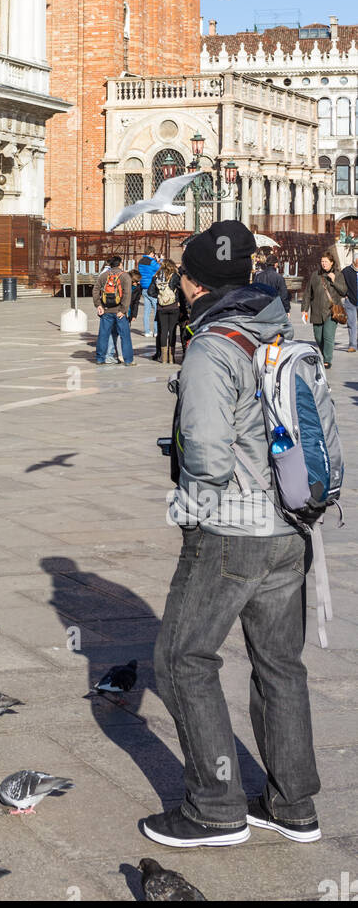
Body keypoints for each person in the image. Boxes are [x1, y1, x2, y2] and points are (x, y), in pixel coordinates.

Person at [146, 219, 321, 848]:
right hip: (292, 530)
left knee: (181, 660)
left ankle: (215, 808)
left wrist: (187, 490)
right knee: (280, 665)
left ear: (193, 285)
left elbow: (211, 460)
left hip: (231, 530)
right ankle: (293, 804)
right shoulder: (284, 332)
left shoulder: (211, 347)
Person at [301, 248, 346, 369]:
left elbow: (343, 291)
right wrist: (304, 309)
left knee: (328, 336)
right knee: (318, 337)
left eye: (326, 261)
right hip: (316, 311)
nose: (323, 264)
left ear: (332, 262)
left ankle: (327, 359)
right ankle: (325, 353)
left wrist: (334, 281)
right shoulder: (315, 275)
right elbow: (307, 293)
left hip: (332, 311)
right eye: (322, 261)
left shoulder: (338, 275)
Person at [92, 253, 134, 366]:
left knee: (103, 335)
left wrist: (98, 305)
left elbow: (95, 290)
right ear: (120, 264)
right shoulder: (125, 276)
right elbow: (127, 294)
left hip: (106, 310)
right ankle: (128, 360)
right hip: (119, 311)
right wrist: (123, 309)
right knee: (124, 335)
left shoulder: (104, 275)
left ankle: (100, 358)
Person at [153, 258, 182, 363]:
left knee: (163, 331)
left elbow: (150, 291)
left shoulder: (157, 277)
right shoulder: (175, 276)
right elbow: (181, 289)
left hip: (161, 307)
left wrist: (159, 296)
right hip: (173, 306)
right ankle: (171, 357)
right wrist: (178, 299)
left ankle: (164, 358)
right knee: (172, 331)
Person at [138, 251, 160, 338]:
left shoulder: (140, 261)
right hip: (152, 288)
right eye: (154, 254)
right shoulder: (152, 262)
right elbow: (160, 268)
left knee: (146, 311)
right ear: (151, 253)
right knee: (156, 311)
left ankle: (147, 331)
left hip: (144, 288)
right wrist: (159, 260)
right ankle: (156, 331)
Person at [340, 246, 358, 353]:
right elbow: (340, 283)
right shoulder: (346, 271)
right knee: (351, 323)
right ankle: (352, 345)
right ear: (355, 262)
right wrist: (344, 293)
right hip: (350, 301)